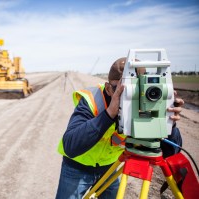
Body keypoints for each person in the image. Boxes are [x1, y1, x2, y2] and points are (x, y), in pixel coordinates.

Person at [55, 57, 184, 199]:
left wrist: (168, 123)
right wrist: (109, 114)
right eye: (122, 90)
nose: (129, 97)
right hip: (77, 166)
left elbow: (171, 152)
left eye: (136, 90)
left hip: (108, 168)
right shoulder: (92, 101)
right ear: (109, 88)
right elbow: (71, 146)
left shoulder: (144, 104)